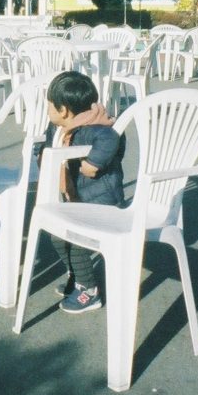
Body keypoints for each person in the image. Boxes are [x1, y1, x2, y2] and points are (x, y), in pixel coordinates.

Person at [38, 70, 126, 313]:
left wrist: (93, 163)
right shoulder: (62, 129)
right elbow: (50, 149)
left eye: (49, 105)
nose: (47, 110)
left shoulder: (92, 127)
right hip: (79, 199)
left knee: (76, 242)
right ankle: (77, 275)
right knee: (57, 236)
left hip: (101, 202)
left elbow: (111, 139)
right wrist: (42, 154)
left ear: (63, 110)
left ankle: (89, 291)